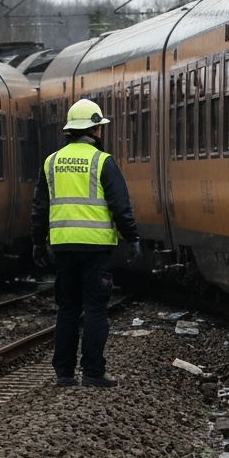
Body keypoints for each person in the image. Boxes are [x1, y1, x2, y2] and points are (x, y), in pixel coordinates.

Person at [31, 98, 140, 388]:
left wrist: (38, 243)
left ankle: (64, 374)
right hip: (95, 248)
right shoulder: (103, 161)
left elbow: (39, 207)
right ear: (95, 130)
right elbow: (121, 205)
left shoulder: (51, 161)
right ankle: (93, 372)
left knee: (67, 309)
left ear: (70, 131)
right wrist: (132, 238)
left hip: (63, 247)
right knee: (94, 309)